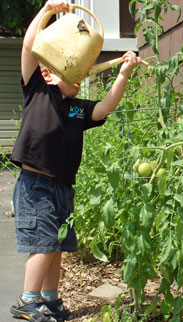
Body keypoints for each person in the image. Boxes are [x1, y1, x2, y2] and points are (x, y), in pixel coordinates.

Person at [9, 1, 142, 321]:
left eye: (83, 72)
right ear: (49, 72)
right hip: (35, 183)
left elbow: (106, 107)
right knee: (42, 243)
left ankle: (49, 299)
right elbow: (30, 46)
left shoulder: (77, 108)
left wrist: (123, 74)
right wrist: (46, 11)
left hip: (62, 186)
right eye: (74, 69)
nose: (80, 77)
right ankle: (27, 301)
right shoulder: (37, 90)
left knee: (55, 246)